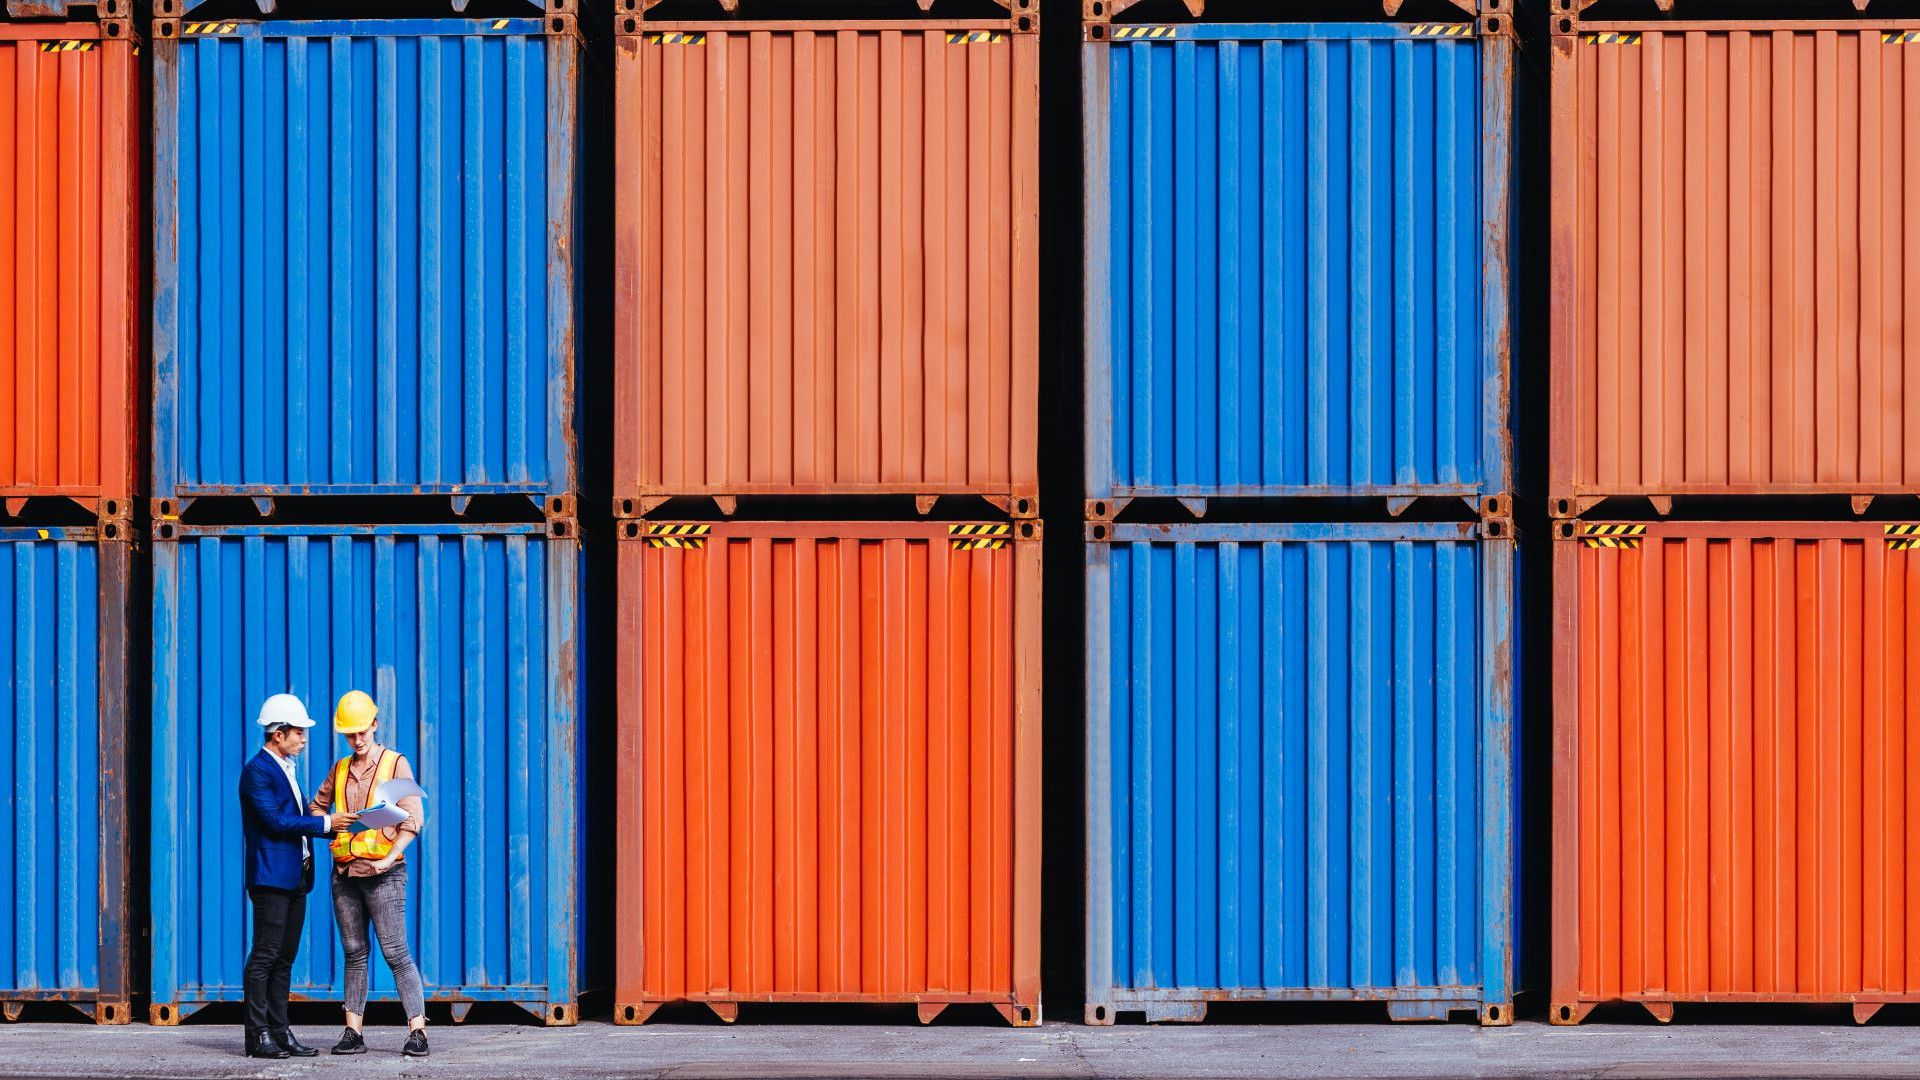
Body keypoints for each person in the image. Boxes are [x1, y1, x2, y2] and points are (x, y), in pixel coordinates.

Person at [309, 689, 430, 1057]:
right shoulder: (340, 769)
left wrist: (389, 855)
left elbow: (414, 818)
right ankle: (352, 1032)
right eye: (350, 734)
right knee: (354, 952)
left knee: (396, 952)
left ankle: (418, 1032)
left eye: (362, 731)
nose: (357, 739)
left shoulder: (396, 764)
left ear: (375, 725)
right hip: (345, 875)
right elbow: (316, 809)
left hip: (385, 873)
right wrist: (331, 822)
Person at [238, 694, 356, 1060]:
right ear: (277, 734)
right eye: (299, 732)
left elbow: (303, 816)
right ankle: (257, 1035)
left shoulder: (286, 768)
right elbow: (275, 821)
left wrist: (344, 826)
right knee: (265, 956)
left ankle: (280, 1030)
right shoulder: (257, 771)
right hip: (271, 877)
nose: (304, 738)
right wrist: (326, 822)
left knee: (285, 957)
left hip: (296, 877)